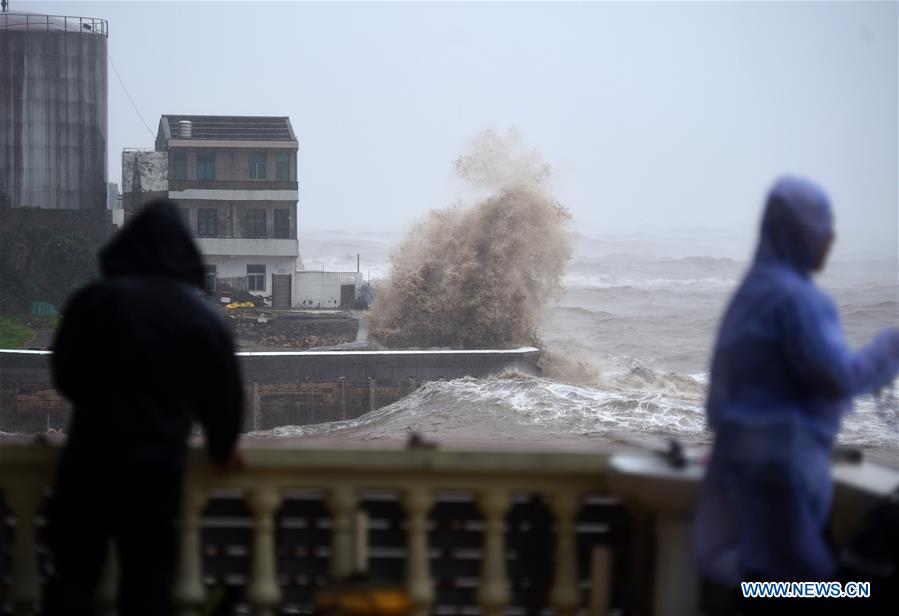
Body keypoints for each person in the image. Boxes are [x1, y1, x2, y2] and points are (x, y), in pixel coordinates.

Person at [692, 177, 899, 590]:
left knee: (753, 582)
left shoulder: (751, 292)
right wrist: (890, 347)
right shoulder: (797, 300)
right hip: (780, 472)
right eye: (823, 225)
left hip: (737, 463)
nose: (830, 237)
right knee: (800, 583)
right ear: (799, 232)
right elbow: (839, 378)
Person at [44, 199, 245, 616]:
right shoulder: (202, 316)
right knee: (147, 589)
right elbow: (223, 396)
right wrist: (222, 447)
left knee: (71, 584)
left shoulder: (93, 301)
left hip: (87, 466)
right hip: (154, 473)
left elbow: (64, 373)